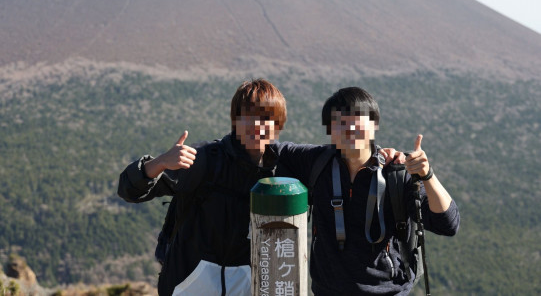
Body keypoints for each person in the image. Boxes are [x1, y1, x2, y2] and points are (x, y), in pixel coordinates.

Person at [277, 87, 460, 295]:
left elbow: (448, 223)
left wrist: (428, 175)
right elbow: (268, 150)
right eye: (338, 122)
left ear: (373, 125)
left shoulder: (396, 173)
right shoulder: (317, 162)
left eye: (356, 119)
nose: (348, 129)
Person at [117, 79, 292, 296]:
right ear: (235, 121)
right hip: (187, 288)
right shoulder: (204, 160)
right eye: (249, 117)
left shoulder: (280, 172)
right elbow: (128, 189)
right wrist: (161, 162)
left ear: (278, 124)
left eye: (266, 118)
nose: (257, 126)